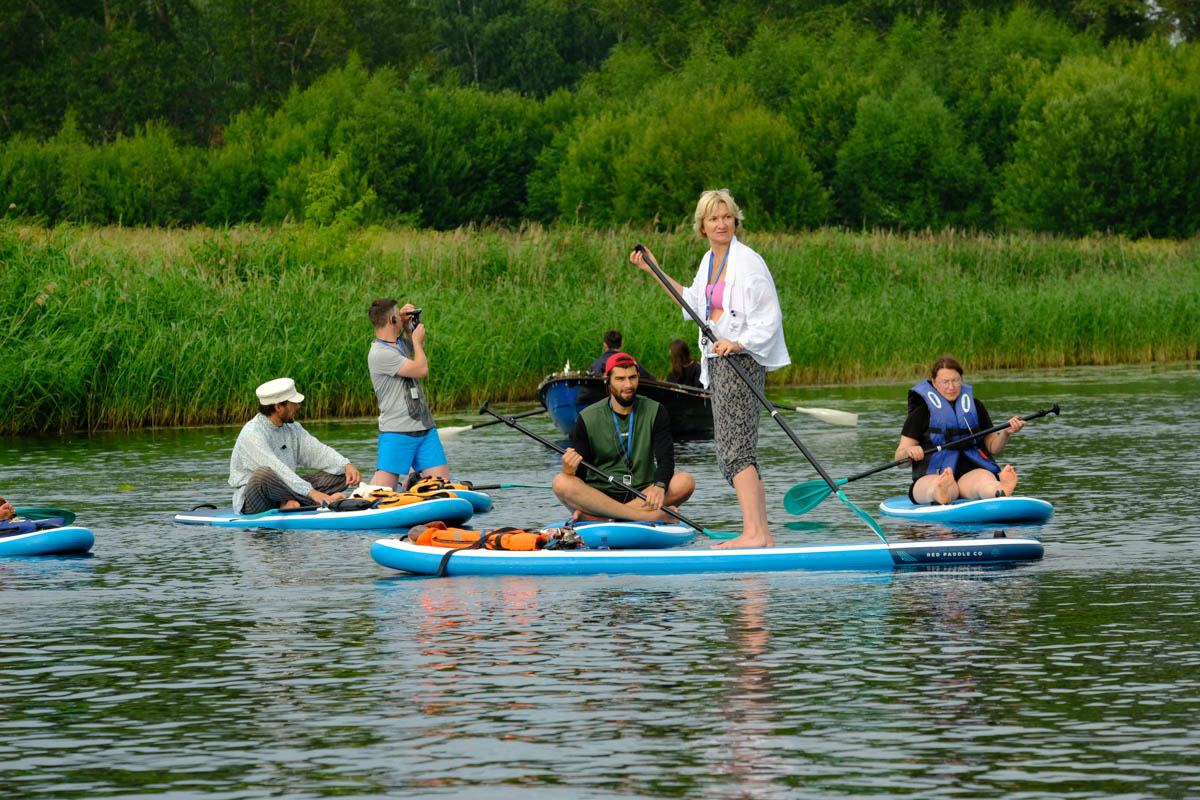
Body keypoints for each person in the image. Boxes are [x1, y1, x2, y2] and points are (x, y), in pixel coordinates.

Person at [630, 189, 790, 549]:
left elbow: (769, 317)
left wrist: (738, 342)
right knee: (735, 450)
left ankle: (753, 533)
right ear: (702, 226)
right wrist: (651, 268)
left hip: (740, 362)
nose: (722, 224)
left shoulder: (748, 262)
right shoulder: (709, 262)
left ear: (735, 221)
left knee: (735, 452)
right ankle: (760, 532)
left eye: (727, 217)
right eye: (714, 218)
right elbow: (690, 302)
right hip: (718, 363)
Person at [552, 352, 695, 521]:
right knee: (561, 482)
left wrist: (659, 485)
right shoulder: (587, 417)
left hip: (643, 494)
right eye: (620, 379)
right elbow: (581, 476)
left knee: (686, 481)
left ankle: (604, 518)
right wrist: (570, 470)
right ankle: (643, 517)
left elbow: (666, 459)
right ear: (608, 381)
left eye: (632, 378)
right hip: (600, 495)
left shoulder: (656, 411)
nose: (628, 385)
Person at [894, 356, 1025, 505]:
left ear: (961, 379)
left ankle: (998, 489)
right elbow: (900, 460)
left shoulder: (975, 407)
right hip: (933, 474)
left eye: (955, 380)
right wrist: (909, 452)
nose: (951, 387)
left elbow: (992, 447)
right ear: (934, 383)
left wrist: (1006, 433)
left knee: (984, 480)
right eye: (945, 382)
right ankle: (940, 492)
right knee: (937, 485)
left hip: (969, 473)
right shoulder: (921, 413)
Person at [229, 378, 362, 513]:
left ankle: (291, 503)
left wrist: (345, 465)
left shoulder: (292, 428)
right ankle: (321, 501)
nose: (298, 406)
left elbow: (318, 451)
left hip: (286, 490)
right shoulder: (252, 434)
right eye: (294, 403)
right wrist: (312, 493)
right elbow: (277, 470)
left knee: (342, 475)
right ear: (278, 406)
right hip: (256, 500)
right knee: (263, 474)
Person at [367, 298, 450, 490]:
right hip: (397, 432)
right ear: (391, 320)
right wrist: (416, 341)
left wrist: (407, 327)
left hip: (425, 429)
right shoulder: (379, 353)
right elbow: (421, 369)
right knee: (382, 493)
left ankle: (411, 483)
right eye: (397, 314)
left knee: (442, 488)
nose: (400, 316)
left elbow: (416, 349)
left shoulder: (398, 344)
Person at [587, 329, 655, 380]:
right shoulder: (631, 362)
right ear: (622, 343)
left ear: (605, 344)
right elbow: (651, 379)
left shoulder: (597, 363)